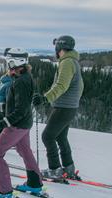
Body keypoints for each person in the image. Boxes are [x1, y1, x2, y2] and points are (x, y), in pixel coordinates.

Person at [0, 48, 43, 198]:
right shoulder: (23, 77)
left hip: (17, 125)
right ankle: (34, 183)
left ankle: (4, 191)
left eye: (8, 61)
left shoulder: (21, 81)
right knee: (25, 150)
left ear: (16, 62)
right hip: (24, 124)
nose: (7, 65)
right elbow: (17, 99)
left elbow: (20, 110)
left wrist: (1, 123)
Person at [33, 35, 84, 179]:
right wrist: (74, 102)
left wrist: (45, 98)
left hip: (64, 107)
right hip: (69, 107)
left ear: (59, 48)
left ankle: (55, 170)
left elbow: (61, 85)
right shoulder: (73, 62)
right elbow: (80, 86)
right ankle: (69, 168)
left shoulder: (67, 62)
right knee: (61, 137)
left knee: (47, 136)